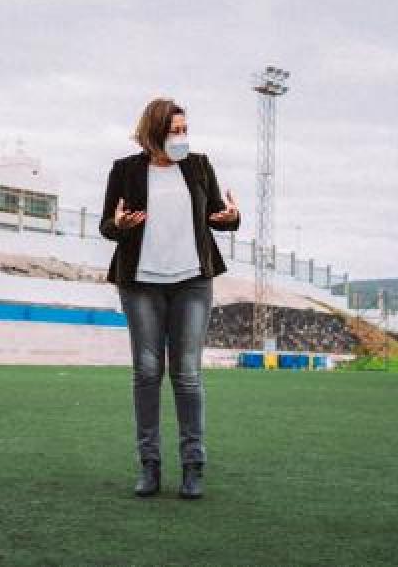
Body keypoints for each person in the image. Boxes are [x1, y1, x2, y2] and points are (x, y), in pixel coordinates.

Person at [100, 98, 240, 499]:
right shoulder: (125, 170)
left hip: (192, 282)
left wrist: (231, 218)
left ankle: (193, 467)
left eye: (184, 130)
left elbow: (218, 213)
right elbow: (107, 226)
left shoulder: (199, 166)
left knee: (188, 374)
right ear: (154, 131)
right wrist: (120, 224)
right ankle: (150, 465)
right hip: (141, 283)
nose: (181, 137)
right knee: (146, 372)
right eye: (174, 130)